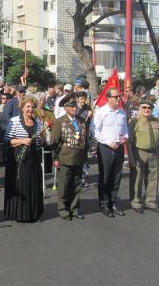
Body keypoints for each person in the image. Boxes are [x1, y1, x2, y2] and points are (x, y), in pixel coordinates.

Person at [4, 96, 44, 223]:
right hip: (18, 160)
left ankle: (33, 213)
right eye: (27, 107)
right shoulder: (14, 121)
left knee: (33, 185)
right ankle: (20, 214)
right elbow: (7, 141)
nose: (30, 109)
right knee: (20, 185)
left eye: (32, 107)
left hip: (33, 160)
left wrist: (43, 138)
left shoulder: (38, 123)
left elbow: (40, 143)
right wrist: (22, 140)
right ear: (22, 108)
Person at [50, 93, 87, 221]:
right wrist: (55, 159)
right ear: (65, 107)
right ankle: (63, 209)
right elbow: (55, 142)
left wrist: (85, 157)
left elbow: (84, 140)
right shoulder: (59, 122)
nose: (74, 108)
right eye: (71, 106)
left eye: (75, 105)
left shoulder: (81, 121)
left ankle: (74, 208)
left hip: (78, 157)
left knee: (77, 185)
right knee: (64, 185)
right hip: (65, 158)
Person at [93, 88, 128, 218]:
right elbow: (95, 131)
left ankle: (113, 202)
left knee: (116, 176)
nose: (119, 99)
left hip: (118, 147)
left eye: (119, 96)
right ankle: (104, 203)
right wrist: (109, 142)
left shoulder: (121, 112)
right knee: (106, 176)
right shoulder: (101, 112)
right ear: (108, 98)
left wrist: (125, 137)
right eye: (116, 97)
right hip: (106, 148)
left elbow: (124, 128)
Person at [127, 99, 159, 214]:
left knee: (152, 178)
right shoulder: (134, 122)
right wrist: (131, 158)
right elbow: (130, 141)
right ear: (140, 109)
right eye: (144, 107)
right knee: (138, 178)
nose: (147, 110)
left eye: (149, 108)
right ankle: (136, 202)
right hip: (140, 152)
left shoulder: (155, 121)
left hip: (153, 153)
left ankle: (150, 202)